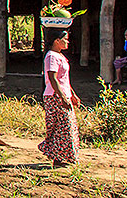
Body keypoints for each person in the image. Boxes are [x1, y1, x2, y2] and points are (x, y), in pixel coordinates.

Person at [39, 29, 81, 167]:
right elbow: (53, 77)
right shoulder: (51, 56)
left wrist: (72, 94)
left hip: (62, 94)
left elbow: (64, 79)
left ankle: (64, 157)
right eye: (65, 39)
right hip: (54, 95)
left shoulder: (60, 56)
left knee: (67, 126)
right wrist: (62, 96)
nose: (67, 41)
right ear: (57, 40)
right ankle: (58, 158)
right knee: (61, 126)